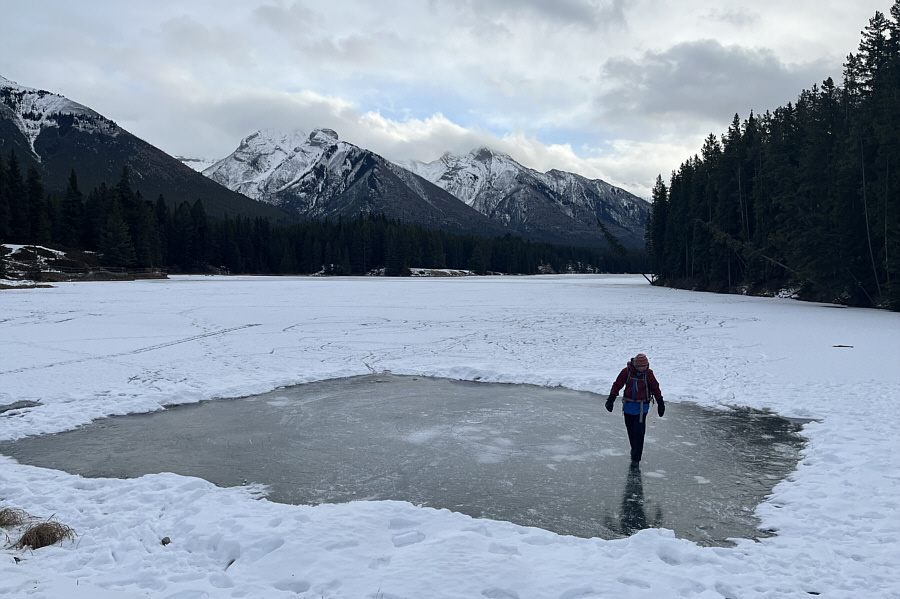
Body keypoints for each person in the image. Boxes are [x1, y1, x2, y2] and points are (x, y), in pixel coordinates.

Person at [605, 353, 664, 465]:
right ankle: (634, 450)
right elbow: (617, 385)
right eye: (641, 366)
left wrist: (660, 402)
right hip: (628, 406)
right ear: (636, 365)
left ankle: (636, 458)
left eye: (646, 366)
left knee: (639, 432)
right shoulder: (626, 372)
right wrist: (611, 399)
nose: (644, 368)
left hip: (642, 407)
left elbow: (655, 388)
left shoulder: (649, 374)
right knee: (631, 431)